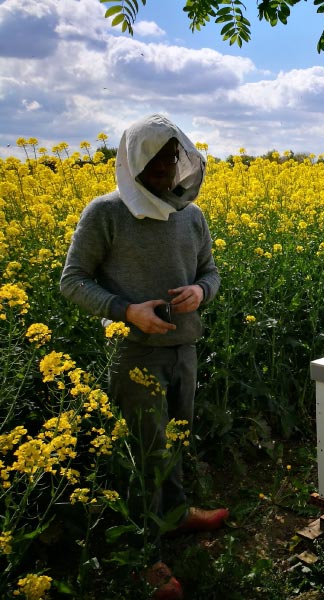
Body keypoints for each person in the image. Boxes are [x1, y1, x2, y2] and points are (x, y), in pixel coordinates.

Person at [61, 114, 228, 600]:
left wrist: (200, 291)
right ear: (133, 159)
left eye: (171, 155)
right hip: (134, 351)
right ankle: (144, 554)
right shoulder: (105, 214)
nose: (164, 165)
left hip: (184, 349)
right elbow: (72, 281)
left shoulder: (191, 214)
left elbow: (211, 273)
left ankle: (175, 517)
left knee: (174, 438)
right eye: (153, 156)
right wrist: (124, 310)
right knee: (141, 454)